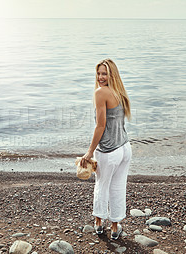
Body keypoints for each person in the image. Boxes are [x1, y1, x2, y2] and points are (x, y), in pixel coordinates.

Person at [80, 58, 132, 240]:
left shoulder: (100, 93)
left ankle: (99, 222)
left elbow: (100, 126)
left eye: (104, 73)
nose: (100, 77)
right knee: (118, 187)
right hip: (125, 148)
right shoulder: (120, 91)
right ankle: (116, 226)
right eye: (99, 73)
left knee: (102, 186)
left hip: (109, 150)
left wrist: (89, 152)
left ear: (112, 75)